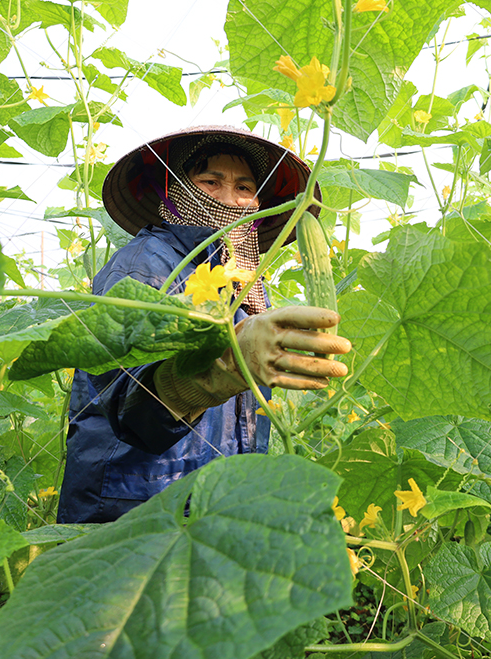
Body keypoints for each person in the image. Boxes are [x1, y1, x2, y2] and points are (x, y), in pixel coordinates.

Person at [56, 125, 350, 523]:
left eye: (245, 188)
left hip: (208, 509)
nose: (230, 199)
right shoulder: (145, 264)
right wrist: (223, 368)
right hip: (132, 512)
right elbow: (130, 405)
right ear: (174, 189)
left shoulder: (245, 284)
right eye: (210, 181)